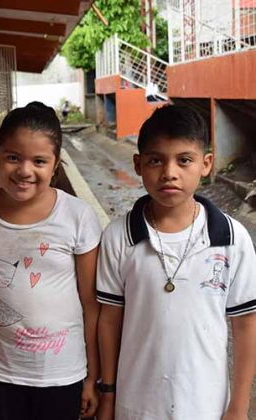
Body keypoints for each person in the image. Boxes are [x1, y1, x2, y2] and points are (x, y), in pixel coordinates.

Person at [96, 105, 256, 420]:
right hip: (135, 405)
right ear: (138, 164)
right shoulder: (118, 237)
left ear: (206, 164)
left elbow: (245, 324)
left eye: (184, 160)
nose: (170, 172)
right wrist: (108, 392)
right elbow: (109, 322)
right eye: (156, 160)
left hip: (205, 404)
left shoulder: (232, 238)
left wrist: (239, 405)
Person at [0, 102, 102, 420]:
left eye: (39, 161)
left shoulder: (77, 216)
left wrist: (91, 377)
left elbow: (91, 304)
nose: (25, 171)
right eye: (13, 157)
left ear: (55, 165)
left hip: (63, 374)